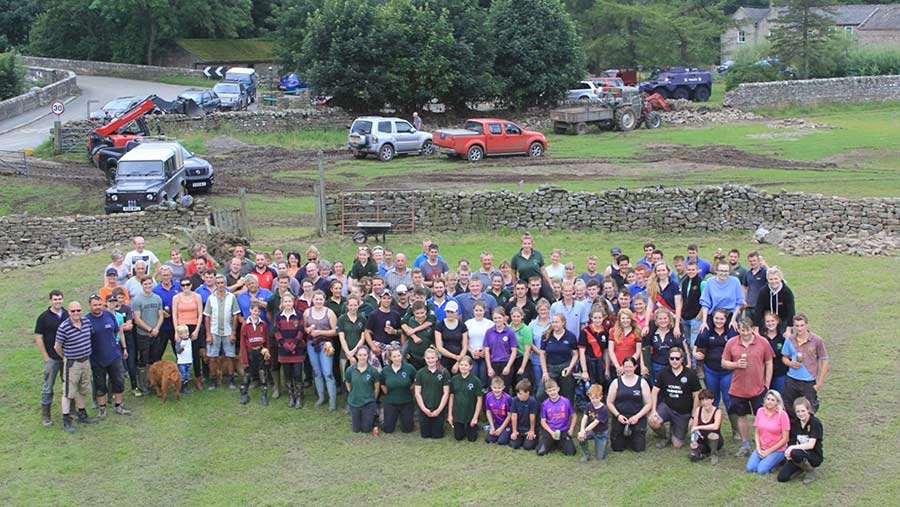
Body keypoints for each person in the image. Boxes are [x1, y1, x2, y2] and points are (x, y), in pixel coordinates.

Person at [722, 317, 775, 458]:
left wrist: (767, 384)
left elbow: (769, 362)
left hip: (758, 388)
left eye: (747, 330)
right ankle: (745, 445)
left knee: (763, 417)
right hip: (738, 389)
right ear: (738, 329)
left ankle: (763, 444)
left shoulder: (763, 342)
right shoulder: (731, 343)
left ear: (752, 329)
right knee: (741, 416)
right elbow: (724, 362)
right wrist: (736, 364)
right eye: (742, 330)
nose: (745, 333)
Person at [54, 301, 99, 433]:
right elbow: (57, 346)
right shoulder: (64, 327)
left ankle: (82, 414)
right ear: (68, 312)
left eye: (78, 310)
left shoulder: (86, 322)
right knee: (68, 392)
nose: (76, 313)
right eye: (73, 311)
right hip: (72, 363)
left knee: (83, 389)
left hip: (85, 361)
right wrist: (65, 357)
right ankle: (66, 419)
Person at [86, 294, 131, 419]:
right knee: (100, 385)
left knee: (119, 381)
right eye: (94, 305)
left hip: (114, 356)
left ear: (103, 304)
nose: (97, 307)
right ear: (90, 306)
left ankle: (118, 406)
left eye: (99, 304)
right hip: (96, 358)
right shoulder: (86, 320)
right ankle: (102, 409)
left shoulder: (109, 315)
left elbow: (116, 331)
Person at [648, 347, 701, 450]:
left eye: (677, 358)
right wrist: (653, 410)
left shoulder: (690, 374)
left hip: (683, 412)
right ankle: (665, 436)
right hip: (667, 407)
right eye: (672, 358)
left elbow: (697, 395)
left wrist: (693, 416)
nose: (674, 361)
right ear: (668, 359)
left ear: (682, 359)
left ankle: (675, 432)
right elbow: (654, 391)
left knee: (677, 445)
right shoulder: (663, 372)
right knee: (652, 421)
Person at [781, 314, 829, 415]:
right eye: (797, 326)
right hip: (792, 380)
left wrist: (819, 384)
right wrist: (790, 363)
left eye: (802, 325)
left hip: (808, 381)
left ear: (807, 325)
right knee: (789, 409)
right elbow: (784, 357)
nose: (799, 328)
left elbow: (824, 361)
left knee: (809, 411)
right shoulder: (790, 340)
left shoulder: (816, 340)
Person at [693, 309, 738, 411]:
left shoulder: (730, 332)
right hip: (710, 370)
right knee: (713, 398)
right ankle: (713, 420)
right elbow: (695, 346)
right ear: (712, 318)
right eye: (716, 318)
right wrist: (695, 354)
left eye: (721, 319)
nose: (719, 321)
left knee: (728, 398)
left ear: (726, 320)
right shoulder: (707, 331)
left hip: (727, 371)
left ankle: (733, 420)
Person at [35, 290, 68, 427]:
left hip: (67, 357)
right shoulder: (43, 317)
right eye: (55, 299)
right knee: (48, 387)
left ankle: (70, 411)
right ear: (50, 301)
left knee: (68, 385)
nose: (58, 301)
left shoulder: (67, 314)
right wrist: (46, 357)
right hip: (52, 358)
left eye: (60, 299)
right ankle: (46, 415)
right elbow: (38, 337)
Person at [203, 274, 241, 390]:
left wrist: (233, 332)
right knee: (212, 357)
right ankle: (213, 380)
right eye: (218, 283)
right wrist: (208, 334)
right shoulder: (211, 298)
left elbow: (235, 315)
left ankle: (231, 380)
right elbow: (207, 317)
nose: (220, 285)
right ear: (215, 284)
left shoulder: (231, 297)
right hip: (214, 331)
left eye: (222, 283)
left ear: (225, 284)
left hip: (228, 331)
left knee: (230, 356)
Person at [607, 357, 652, 453]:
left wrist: (637, 417)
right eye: (626, 367)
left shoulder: (642, 382)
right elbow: (609, 402)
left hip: (636, 418)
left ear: (635, 367)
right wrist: (618, 415)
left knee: (638, 448)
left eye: (630, 367)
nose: (628, 369)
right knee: (617, 448)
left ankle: (633, 436)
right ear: (623, 367)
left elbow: (648, 403)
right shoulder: (616, 382)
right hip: (620, 418)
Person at [304, 290, 338, 411]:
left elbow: (335, 331)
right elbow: (304, 327)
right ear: (313, 300)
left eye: (321, 299)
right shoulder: (307, 312)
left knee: (327, 372)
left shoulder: (329, 313)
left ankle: (332, 401)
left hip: (326, 345)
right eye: (316, 299)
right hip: (312, 344)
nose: (318, 301)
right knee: (317, 372)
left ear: (324, 300)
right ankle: (321, 397)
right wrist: (308, 329)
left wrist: (320, 332)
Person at [777, 397, 824, 484]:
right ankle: (801, 467)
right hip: (797, 454)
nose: (800, 414)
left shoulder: (815, 423)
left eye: (803, 411)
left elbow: (811, 445)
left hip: (813, 455)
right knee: (782, 478)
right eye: (798, 411)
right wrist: (788, 452)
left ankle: (810, 471)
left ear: (808, 410)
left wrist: (791, 448)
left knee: (795, 452)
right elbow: (792, 440)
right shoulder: (795, 423)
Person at [132, 276, 163, 394]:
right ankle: (144, 385)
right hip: (143, 335)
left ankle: (154, 382)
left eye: (150, 283)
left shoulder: (157, 298)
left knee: (155, 359)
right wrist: (149, 330)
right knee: (143, 360)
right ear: (142, 285)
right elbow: (137, 319)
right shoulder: (137, 300)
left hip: (156, 334)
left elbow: (160, 315)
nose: (148, 286)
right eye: (146, 284)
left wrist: (156, 329)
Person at [274, 293, 306, 408]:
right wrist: (285, 344)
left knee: (297, 373)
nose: (288, 303)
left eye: (290, 301)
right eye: (285, 301)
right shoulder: (278, 316)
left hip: (297, 349)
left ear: (293, 302)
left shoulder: (299, 315)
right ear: (282, 303)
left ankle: (299, 397)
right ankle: (291, 396)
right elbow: (276, 332)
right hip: (284, 350)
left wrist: (294, 344)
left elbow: (301, 331)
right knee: (287, 374)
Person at [746, 390, 790, 475]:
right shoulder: (760, 411)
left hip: (777, 449)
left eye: (773, 400)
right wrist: (758, 448)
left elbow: (785, 439)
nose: (769, 402)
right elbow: (757, 433)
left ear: (777, 402)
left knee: (761, 470)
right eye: (768, 399)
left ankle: (776, 463)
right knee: (750, 468)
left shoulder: (783, 415)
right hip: (762, 447)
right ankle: (767, 461)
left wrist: (769, 451)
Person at [172, 276, 204, 390]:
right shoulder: (176, 298)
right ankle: (182, 380)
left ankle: (198, 378)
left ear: (191, 285)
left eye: (187, 284)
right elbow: (174, 315)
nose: (185, 287)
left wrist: (197, 330)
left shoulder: (197, 296)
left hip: (193, 326)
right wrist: (176, 331)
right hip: (181, 328)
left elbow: (200, 314)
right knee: (181, 355)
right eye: (183, 285)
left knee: (195, 354)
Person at [537, 314, 578, 403]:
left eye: (557, 322)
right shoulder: (546, 336)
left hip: (565, 368)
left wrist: (570, 367)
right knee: (541, 395)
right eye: (553, 322)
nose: (555, 324)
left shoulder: (570, 336)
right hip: (550, 368)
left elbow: (575, 354)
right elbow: (542, 354)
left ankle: (566, 411)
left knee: (567, 395)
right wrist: (545, 372)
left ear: (563, 323)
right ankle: (546, 410)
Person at [643, 309, 688, 384]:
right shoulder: (652, 333)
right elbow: (644, 349)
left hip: (672, 365)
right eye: (660, 319)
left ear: (669, 319)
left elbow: (683, 348)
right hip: (656, 365)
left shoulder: (675, 332)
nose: (663, 321)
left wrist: (687, 363)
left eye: (665, 318)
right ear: (656, 320)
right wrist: (645, 365)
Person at [414, 347, 451, 439]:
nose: (430, 360)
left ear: (437, 358)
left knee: (437, 435)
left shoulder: (444, 372)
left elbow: (446, 393)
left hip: (438, 408)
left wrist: (439, 410)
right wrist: (424, 409)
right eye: (428, 358)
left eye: (432, 358)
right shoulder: (420, 373)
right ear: (424, 358)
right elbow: (417, 393)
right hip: (425, 408)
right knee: (425, 435)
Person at [380, 343, 417, 434]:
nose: (397, 358)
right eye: (394, 356)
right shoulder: (385, 370)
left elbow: (415, 382)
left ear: (401, 356)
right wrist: (389, 394)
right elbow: (382, 384)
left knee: (407, 430)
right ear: (390, 358)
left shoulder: (409, 368)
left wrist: (410, 389)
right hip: (391, 402)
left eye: (398, 356)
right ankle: (383, 415)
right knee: (388, 430)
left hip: (406, 402)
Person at [698, 262, 744, 333]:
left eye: (726, 271)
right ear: (716, 271)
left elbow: (739, 302)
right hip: (713, 314)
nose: (723, 273)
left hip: (730, 314)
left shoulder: (735, 281)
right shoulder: (710, 282)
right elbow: (705, 303)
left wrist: (733, 319)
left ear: (729, 272)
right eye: (721, 271)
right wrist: (704, 322)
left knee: (732, 334)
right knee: (703, 335)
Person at [239, 302, 270, 405]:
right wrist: (244, 359)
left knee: (262, 373)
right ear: (250, 310)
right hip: (250, 352)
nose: (256, 313)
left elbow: (266, 340)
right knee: (247, 374)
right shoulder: (245, 324)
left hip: (260, 352)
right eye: (255, 311)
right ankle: (244, 394)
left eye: (259, 311)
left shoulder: (263, 324)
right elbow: (242, 343)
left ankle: (264, 396)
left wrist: (267, 353)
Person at [536, 379, 577, 456]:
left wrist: (571, 429)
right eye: (550, 391)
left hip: (563, 430)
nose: (552, 392)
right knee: (540, 452)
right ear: (546, 392)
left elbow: (574, 416)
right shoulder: (545, 404)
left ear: (558, 389)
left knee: (571, 452)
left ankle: (559, 443)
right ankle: (552, 442)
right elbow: (543, 421)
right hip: (550, 430)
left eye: (554, 390)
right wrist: (551, 432)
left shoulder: (566, 401)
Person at [345, 346, 380, 433]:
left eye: (365, 355)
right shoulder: (350, 370)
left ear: (368, 356)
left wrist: (372, 399)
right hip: (354, 402)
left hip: (368, 403)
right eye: (360, 355)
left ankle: (372, 417)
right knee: (356, 430)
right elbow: (348, 384)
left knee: (366, 430)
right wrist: (354, 393)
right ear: (356, 355)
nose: (362, 357)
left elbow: (376, 388)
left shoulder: (373, 371)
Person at [448, 355, 483, 442]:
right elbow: (451, 397)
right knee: (458, 437)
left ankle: (474, 426)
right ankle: (461, 427)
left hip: (470, 414)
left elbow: (479, 400)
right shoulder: (454, 380)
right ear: (459, 365)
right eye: (461, 365)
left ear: (470, 367)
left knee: (472, 439)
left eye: (466, 365)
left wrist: (475, 417)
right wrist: (450, 415)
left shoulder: (476, 381)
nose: (463, 367)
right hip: (458, 414)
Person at [753, 266, 795, 334]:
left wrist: (788, 330)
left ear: (780, 278)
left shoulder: (787, 292)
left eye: (776, 279)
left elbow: (791, 312)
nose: (773, 281)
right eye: (771, 279)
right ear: (767, 279)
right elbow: (758, 310)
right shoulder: (763, 292)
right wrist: (756, 330)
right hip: (768, 321)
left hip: (783, 321)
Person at [484, 308, 518, 391]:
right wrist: (489, 367)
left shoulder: (510, 332)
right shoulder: (489, 332)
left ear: (504, 318)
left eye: (499, 318)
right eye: (495, 318)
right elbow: (487, 351)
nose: (497, 320)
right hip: (493, 363)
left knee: (504, 389)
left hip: (506, 363)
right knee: (492, 389)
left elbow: (514, 351)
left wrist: (508, 366)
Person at [152, 265, 181, 360]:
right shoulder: (155, 290)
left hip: (176, 325)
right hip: (162, 326)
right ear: (160, 276)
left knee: (179, 351)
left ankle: (181, 368)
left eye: (168, 275)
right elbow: (154, 307)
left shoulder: (178, 286)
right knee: (158, 352)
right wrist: (161, 312)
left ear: (171, 275)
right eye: (163, 275)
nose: (166, 277)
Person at [688, 389, 723, 464]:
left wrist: (699, 427)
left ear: (712, 400)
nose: (705, 402)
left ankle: (714, 455)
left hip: (715, 440)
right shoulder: (698, 410)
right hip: (702, 440)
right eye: (702, 400)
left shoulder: (717, 411)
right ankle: (702, 455)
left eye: (707, 399)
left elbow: (715, 426)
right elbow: (694, 428)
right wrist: (693, 441)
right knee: (692, 456)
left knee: (712, 435)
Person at [577, 384, 609, 463]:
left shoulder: (604, 409)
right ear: (589, 397)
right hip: (592, 431)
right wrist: (582, 430)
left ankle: (604, 443)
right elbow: (584, 418)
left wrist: (585, 431)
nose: (594, 400)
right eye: (592, 398)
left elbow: (595, 422)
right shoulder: (588, 405)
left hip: (601, 433)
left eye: (596, 398)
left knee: (600, 457)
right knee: (580, 437)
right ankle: (586, 454)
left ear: (601, 397)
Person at [578, 306, 608, 389]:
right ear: (591, 318)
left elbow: (606, 351)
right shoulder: (585, 331)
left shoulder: (605, 332)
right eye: (595, 318)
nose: (597, 320)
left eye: (599, 318)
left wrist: (607, 369)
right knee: (589, 389)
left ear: (603, 318)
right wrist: (584, 371)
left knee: (601, 388)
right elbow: (582, 353)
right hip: (588, 364)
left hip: (600, 364)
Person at [464, 301, 492, 390]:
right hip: (472, 353)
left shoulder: (490, 324)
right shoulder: (468, 323)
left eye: (480, 310)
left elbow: (492, 340)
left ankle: (484, 395)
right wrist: (471, 351)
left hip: (485, 354)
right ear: (473, 311)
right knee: (473, 375)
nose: (478, 312)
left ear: (484, 311)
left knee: (484, 376)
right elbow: (465, 341)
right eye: (476, 310)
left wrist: (484, 351)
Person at [607, 309, 641, 380]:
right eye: (623, 318)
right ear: (619, 319)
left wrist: (626, 366)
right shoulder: (613, 331)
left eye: (628, 318)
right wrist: (618, 367)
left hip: (631, 367)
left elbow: (638, 352)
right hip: (616, 367)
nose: (625, 320)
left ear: (631, 319)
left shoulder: (637, 331)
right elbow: (610, 350)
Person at [762, 312, 788, 396]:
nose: (770, 323)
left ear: (777, 321)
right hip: (764, 375)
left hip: (780, 375)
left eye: (772, 321)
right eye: (768, 321)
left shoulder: (783, 338)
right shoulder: (761, 338)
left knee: (780, 398)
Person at [509, 379, 539, 451]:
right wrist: (514, 431)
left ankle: (532, 438)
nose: (518, 395)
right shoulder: (515, 400)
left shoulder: (532, 401)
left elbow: (532, 417)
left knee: (528, 446)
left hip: (529, 428)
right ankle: (521, 439)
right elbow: (514, 416)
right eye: (517, 393)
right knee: (514, 445)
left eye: (520, 393)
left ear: (527, 392)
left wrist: (532, 430)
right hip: (519, 429)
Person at [508, 307, 533, 387]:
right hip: (510, 358)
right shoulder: (508, 328)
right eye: (514, 316)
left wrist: (522, 367)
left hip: (522, 358)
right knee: (512, 383)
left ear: (522, 316)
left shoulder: (526, 330)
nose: (516, 318)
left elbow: (527, 350)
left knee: (521, 384)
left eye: (518, 316)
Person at [484, 376, 513, 445]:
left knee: (502, 441)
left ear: (503, 387)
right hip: (497, 423)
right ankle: (498, 431)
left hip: (507, 424)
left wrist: (501, 429)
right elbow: (488, 411)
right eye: (495, 388)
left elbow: (510, 415)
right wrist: (492, 427)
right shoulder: (488, 396)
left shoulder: (507, 398)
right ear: (491, 387)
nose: (497, 390)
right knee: (489, 439)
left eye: (499, 388)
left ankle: (508, 432)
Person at [528, 299, 552, 382]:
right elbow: (530, 342)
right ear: (537, 310)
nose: (543, 312)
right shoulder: (532, 325)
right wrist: (540, 353)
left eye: (545, 309)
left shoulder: (553, 323)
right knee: (538, 383)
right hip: (536, 360)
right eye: (541, 309)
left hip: (550, 360)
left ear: (549, 310)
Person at [174, 324, 193, 395]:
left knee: (187, 375)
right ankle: (181, 387)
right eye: (185, 333)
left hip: (189, 361)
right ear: (180, 335)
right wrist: (181, 348)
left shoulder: (189, 340)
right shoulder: (179, 342)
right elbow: (178, 351)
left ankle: (186, 387)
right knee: (183, 375)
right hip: (182, 362)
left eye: (187, 332)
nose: (187, 334)